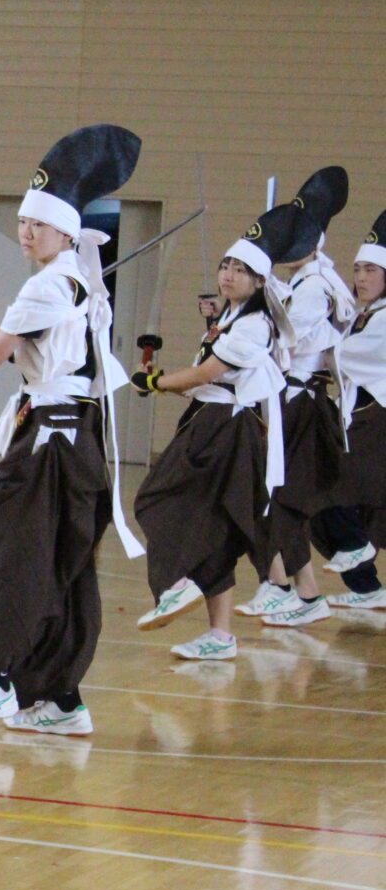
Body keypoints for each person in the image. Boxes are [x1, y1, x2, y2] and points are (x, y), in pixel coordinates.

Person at [0, 124, 143, 735]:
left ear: (66, 232)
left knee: (5, 549)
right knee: (62, 566)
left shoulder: (49, 283)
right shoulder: (80, 280)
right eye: (23, 222)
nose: (27, 233)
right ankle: (59, 699)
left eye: (39, 225)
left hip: (50, 443)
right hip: (76, 440)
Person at [131, 202, 317, 660]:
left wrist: (155, 382)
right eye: (226, 266)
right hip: (212, 422)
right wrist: (168, 381)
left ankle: (176, 583)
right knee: (215, 525)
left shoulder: (253, 325)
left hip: (225, 432)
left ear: (259, 282)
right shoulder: (230, 320)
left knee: (156, 500)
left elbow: (207, 374)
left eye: (241, 270)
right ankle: (220, 635)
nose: (229, 275)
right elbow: (205, 377)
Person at [228, 168, 354, 627]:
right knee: (275, 496)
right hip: (295, 397)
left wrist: (260, 306)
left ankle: (279, 585)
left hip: (298, 399)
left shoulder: (314, 286)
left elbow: (289, 340)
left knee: (269, 495)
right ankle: (301, 591)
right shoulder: (310, 282)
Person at [314, 207, 386, 610]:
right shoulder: (364, 314)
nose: (360, 278)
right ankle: (366, 587)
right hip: (356, 417)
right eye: (357, 269)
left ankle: (359, 554)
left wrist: (313, 351)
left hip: (376, 420)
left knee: (332, 488)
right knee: (347, 501)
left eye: (370, 271)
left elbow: (351, 357)